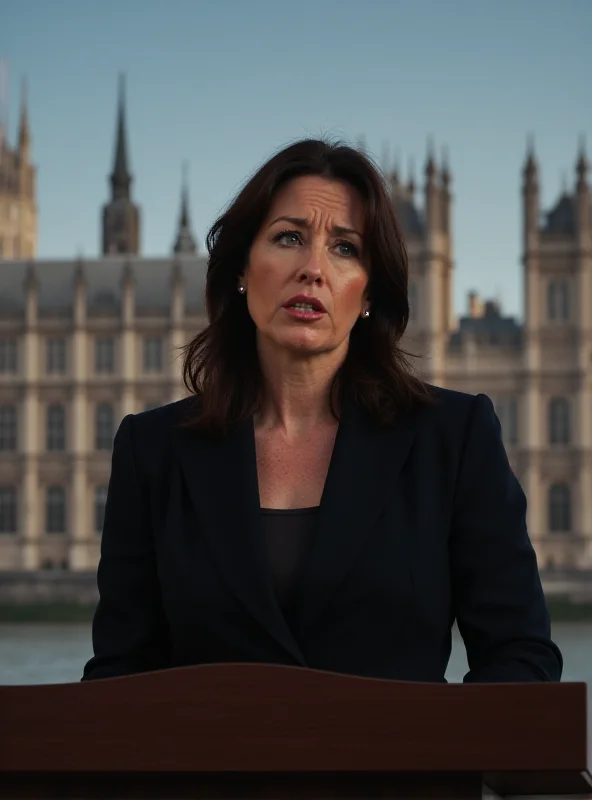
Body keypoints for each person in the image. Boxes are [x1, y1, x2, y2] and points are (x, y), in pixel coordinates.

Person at [82, 139, 562, 683]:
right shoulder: (153, 450)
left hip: (397, 767)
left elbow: (522, 661)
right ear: (242, 267)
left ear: (369, 294)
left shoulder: (453, 439)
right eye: (289, 238)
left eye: (345, 249)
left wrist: (428, 759)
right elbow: (119, 679)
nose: (313, 269)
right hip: (217, 770)